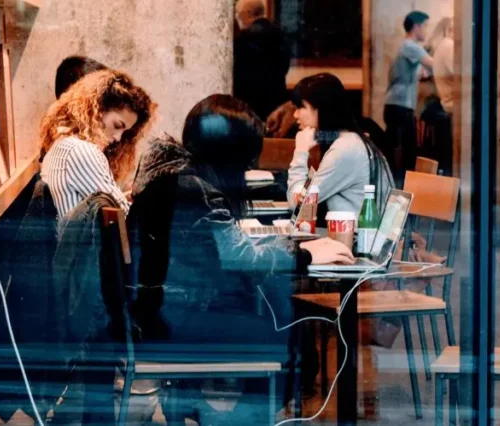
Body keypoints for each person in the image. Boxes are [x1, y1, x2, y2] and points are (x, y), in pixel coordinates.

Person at [130, 95, 355, 420]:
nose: (251, 162)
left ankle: (207, 407)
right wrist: (305, 251)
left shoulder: (175, 177)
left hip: (164, 312)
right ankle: (230, 416)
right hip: (175, 320)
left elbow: (224, 254)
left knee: (281, 317)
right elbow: (239, 258)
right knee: (297, 345)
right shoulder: (194, 188)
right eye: (249, 151)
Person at [38, 69, 155, 218]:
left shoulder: (64, 144)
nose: (118, 138)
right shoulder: (80, 151)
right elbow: (123, 217)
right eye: (118, 125)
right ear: (97, 110)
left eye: (124, 132)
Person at [288, 74, 395, 217]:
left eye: (301, 107)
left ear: (321, 108)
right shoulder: (349, 140)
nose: (295, 115)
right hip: (354, 233)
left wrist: (300, 152)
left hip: (358, 237)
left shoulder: (345, 149)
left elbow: (297, 205)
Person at [384, 11, 436, 185]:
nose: (426, 31)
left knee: (399, 148)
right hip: (400, 105)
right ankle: (403, 189)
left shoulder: (406, 47)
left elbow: (419, 72)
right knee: (407, 150)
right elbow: (434, 65)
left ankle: (397, 186)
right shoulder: (411, 46)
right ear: (417, 26)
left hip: (396, 105)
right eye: (425, 26)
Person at [233, 0, 292, 120]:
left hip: (251, 106)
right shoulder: (281, 34)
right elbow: (284, 66)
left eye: (238, 14)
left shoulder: (244, 39)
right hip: (277, 102)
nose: (237, 19)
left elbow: (240, 76)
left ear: (247, 13)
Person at [418, 16, 455, 176]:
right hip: (452, 106)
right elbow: (463, 77)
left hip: (445, 103)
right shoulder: (449, 46)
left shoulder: (442, 46)